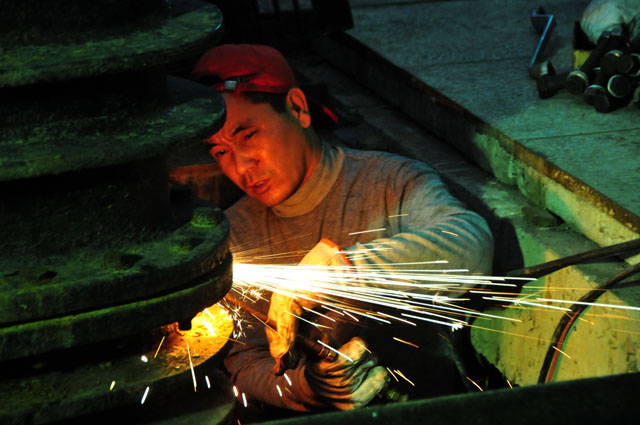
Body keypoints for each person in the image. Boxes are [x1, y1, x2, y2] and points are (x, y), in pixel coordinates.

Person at [191, 44, 494, 413]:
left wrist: (344, 271)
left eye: (248, 135)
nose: (240, 166)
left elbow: (471, 244)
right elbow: (244, 362)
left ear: (298, 108)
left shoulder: (389, 183)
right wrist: (310, 388)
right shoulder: (235, 236)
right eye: (220, 151)